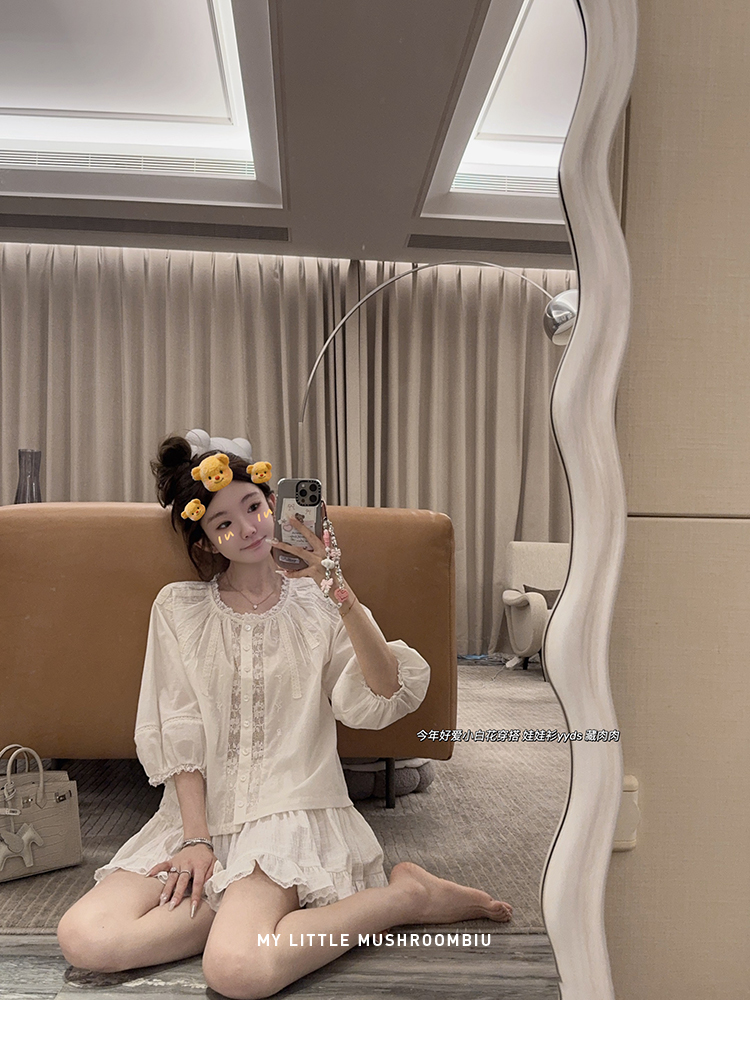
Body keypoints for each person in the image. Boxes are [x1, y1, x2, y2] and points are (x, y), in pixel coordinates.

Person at [57, 435, 512, 999]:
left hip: (288, 817)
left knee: (237, 970)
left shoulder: (321, 603)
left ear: (273, 504)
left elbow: (381, 694)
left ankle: (406, 898)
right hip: (196, 821)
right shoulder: (177, 607)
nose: (247, 528)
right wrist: (195, 839)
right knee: (85, 938)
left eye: (253, 507)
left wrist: (339, 591)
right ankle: (245, 912)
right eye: (223, 523)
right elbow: (179, 727)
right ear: (206, 540)